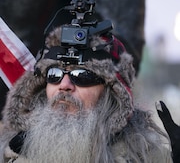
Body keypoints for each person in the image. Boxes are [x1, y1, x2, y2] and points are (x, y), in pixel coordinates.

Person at [0, 24, 173, 163]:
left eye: (82, 76)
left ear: (112, 94)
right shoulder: (8, 152)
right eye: (54, 74)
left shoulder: (148, 157)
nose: (64, 85)